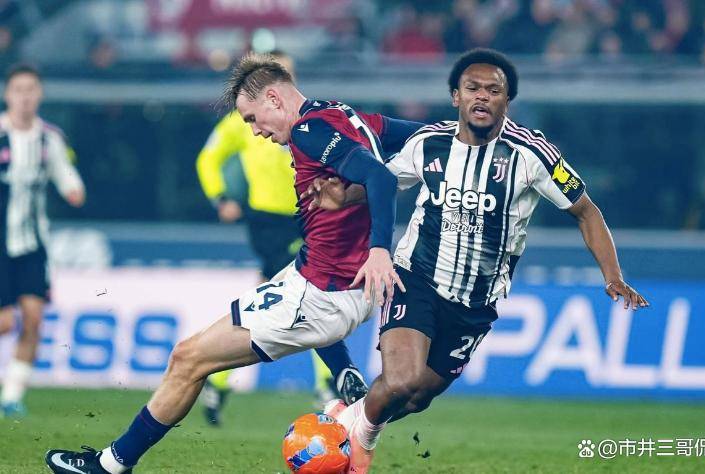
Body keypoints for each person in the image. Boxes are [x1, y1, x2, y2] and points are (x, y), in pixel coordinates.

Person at [44, 53, 423, 473]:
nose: (256, 131)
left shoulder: (309, 131)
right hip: (324, 282)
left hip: (323, 292)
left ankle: (110, 465)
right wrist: (468, 137)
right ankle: (344, 379)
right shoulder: (342, 114)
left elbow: (380, 178)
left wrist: (379, 249)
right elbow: (420, 137)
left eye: (252, 118)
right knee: (198, 351)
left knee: (188, 359)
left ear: (274, 98)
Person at [305, 48, 650, 472]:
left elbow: (586, 210)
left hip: (476, 304)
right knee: (402, 379)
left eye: (493, 90)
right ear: (456, 97)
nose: (482, 96)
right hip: (416, 278)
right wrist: (344, 196)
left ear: (507, 101)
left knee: (416, 398)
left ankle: (345, 418)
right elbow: (383, 182)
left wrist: (612, 275)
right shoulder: (428, 143)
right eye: (472, 88)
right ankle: (357, 454)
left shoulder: (533, 154)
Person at [195, 50, 368, 425]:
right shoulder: (241, 121)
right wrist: (220, 197)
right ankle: (329, 383)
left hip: (310, 214)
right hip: (270, 221)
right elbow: (207, 159)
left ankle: (217, 379)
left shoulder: (308, 120)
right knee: (312, 294)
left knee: (274, 297)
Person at [0, 64, 85, 418]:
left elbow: (66, 176)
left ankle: (11, 397)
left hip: (33, 243)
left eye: (31, 89)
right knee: (5, 323)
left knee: (33, 319)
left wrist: (73, 188)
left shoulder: (50, 138)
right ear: (7, 95)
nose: (25, 97)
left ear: (39, 94)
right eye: (18, 90)